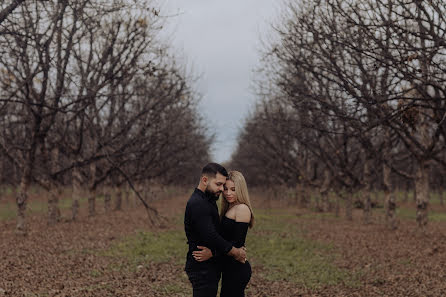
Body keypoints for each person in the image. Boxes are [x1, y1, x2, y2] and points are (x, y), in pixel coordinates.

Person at [184, 163, 247, 297]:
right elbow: (211, 235)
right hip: (201, 267)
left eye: (222, 186)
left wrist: (214, 253)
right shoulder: (198, 203)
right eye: (218, 184)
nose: (222, 190)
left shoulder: (209, 199)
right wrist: (235, 252)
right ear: (205, 180)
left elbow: (219, 233)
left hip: (211, 267)